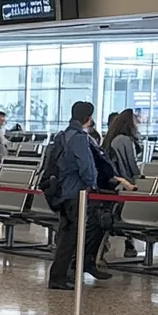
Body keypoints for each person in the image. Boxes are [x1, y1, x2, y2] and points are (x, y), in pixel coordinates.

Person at [47, 101, 111, 290]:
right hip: (76, 192)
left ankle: (60, 274)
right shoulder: (79, 138)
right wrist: (92, 183)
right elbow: (86, 166)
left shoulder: (63, 135)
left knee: (66, 233)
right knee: (71, 236)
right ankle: (58, 277)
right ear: (88, 118)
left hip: (63, 191)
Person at [102, 108, 142, 260]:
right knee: (125, 215)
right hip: (126, 184)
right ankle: (129, 243)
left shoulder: (111, 138)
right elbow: (131, 165)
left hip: (114, 184)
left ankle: (104, 244)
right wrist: (141, 177)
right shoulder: (125, 140)